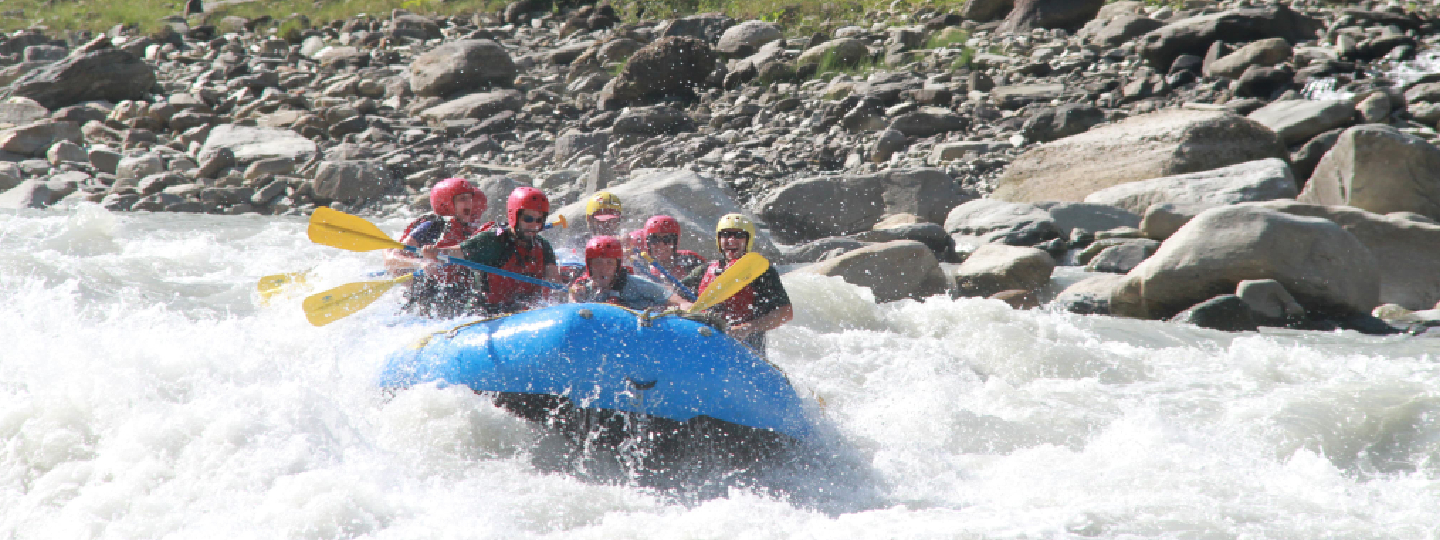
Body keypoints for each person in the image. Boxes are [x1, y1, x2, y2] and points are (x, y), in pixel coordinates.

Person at [424, 186, 561, 315]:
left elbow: (555, 282)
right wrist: (435, 252)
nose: (534, 225)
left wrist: (570, 294)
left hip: (524, 310)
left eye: (539, 220)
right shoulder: (493, 241)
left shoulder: (543, 246)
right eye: (528, 219)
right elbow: (456, 252)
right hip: (486, 312)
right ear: (515, 216)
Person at [681, 213, 792, 358]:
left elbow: (785, 313)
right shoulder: (704, 270)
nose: (731, 240)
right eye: (725, 235)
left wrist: (747, 327)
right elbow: (673, 293)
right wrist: (683, 304)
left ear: (748, 240)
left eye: (739, 235)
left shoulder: (761, 272)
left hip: (747, 351)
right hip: (706, 345)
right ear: (719, 239)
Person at [385, 177, 489, 317]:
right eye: (463, 199)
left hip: (459, 289)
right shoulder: (433, 226)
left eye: (470, 199)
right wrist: (422, 264)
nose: (470, 205)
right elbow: (392, 260)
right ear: (446, 204)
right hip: (430, 291)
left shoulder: (470, 228)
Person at [567, 236, 672, 310]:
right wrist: (573, 298)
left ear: (617, 267)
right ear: (590, 266)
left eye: (610, 263)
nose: (604, 268)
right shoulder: (585, 289)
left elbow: (672, 298)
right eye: (598, 262)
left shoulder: (634, 284)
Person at [638, 215, 706, 280]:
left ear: (675, 242)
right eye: (654, 239)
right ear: (647, 242)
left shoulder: (690, 260)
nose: (661, 245)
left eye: (667, 239)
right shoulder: (641, 265)